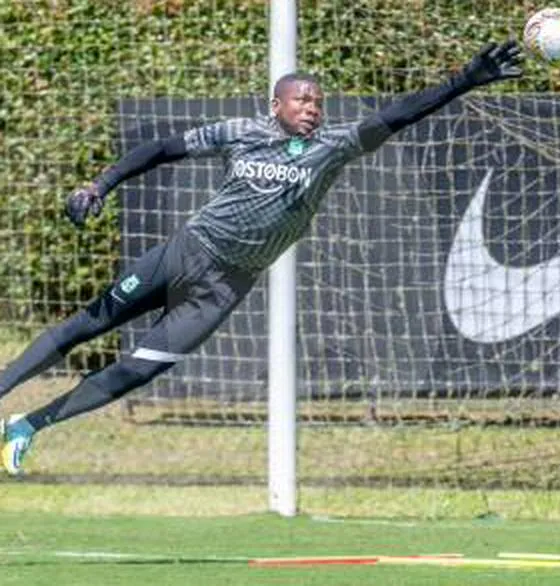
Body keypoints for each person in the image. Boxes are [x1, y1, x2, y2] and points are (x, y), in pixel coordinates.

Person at [0, 40, 522, 474]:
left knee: (135, 373)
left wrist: (464, 81)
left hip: (224, 289)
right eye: (300, 99)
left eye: (317, 101)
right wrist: (100, 184)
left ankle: (27, 425)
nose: (312, 107)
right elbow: (160, 149)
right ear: (277, 106)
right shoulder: (241, 133)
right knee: (86, 326)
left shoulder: (334, 148)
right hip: (183, 254)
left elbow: (397, 116)